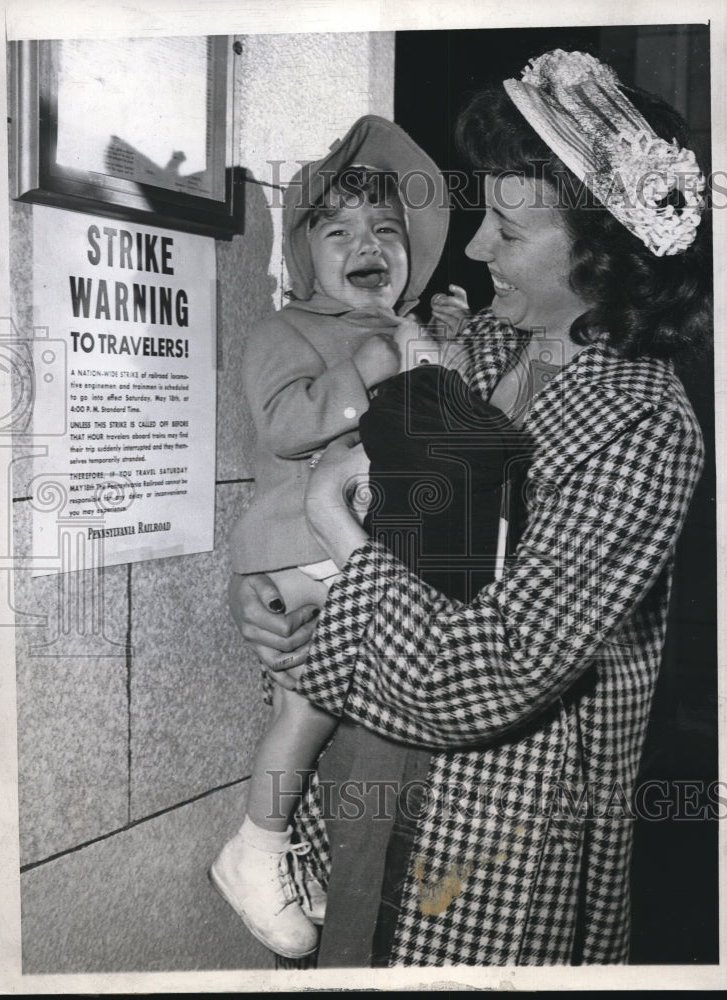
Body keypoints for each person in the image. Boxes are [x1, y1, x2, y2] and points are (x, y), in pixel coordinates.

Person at [231, 49, 711, 966]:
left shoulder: (642, 423)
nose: (476, 246)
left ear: (605, 255)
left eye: (508, 227)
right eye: (483, 213)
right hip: (373, 770)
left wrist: (337, 529)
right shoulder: (482, 347)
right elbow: (377, 532)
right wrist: (280, 612)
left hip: (503, 821)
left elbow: (487, 673)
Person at [210, 115, 464, 959]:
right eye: (340, 230)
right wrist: (370, 367)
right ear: (304, 254)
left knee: (336, 718)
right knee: (308, 706)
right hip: (300, 545)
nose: (369, 245)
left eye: (387, 231)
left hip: (367, 552)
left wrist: (444, 349)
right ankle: (255, 846)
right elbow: (285, 425)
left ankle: (290, 848)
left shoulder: (405, 328)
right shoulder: (285, 332)